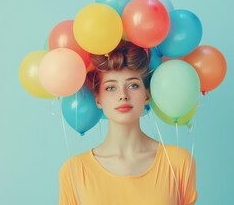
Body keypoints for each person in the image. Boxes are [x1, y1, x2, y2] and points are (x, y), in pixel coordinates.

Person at [59, 40, 198, 205]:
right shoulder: (74, 170)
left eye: (133, 85)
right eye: (111, 88)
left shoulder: (178, 161)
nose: (123, 95)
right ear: (98, 99)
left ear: (147, 95)